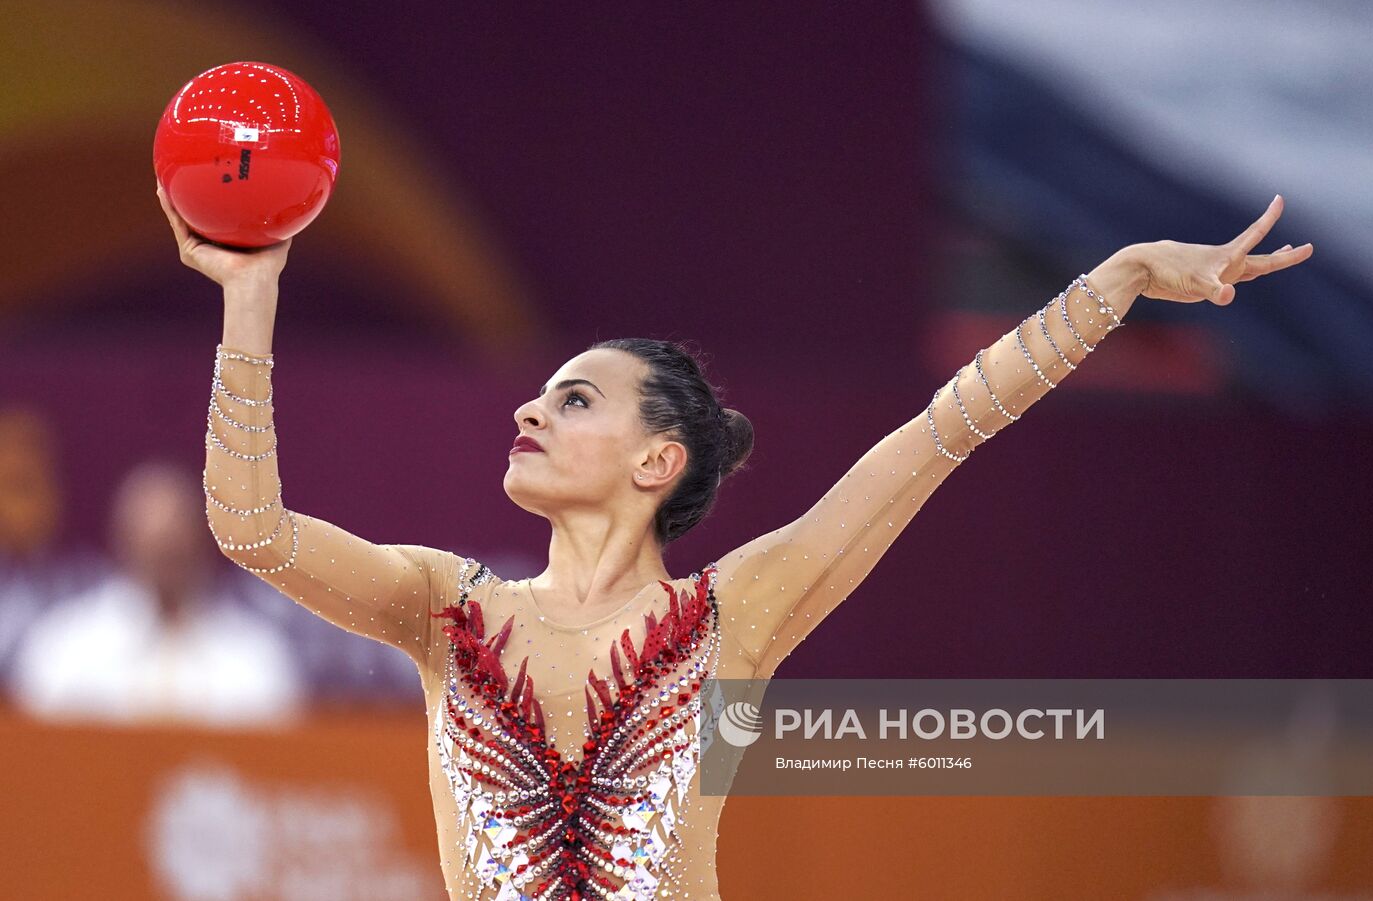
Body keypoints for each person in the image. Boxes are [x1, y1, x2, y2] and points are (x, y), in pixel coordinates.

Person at [160, 181, 1311, 900]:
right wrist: (249, 300)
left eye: (573, 401)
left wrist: (1111, 283)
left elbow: (943, 430)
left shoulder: (732, 615)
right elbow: (248, 528)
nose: (527, 412)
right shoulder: (445, 610)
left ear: (656, 460)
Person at [10, 459, 304, 726]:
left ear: (204, 541)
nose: (166, 558)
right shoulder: (63, 648)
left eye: (175, 547)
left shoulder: (256, 657)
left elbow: (275, 766)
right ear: (121, 541)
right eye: (154, 547)